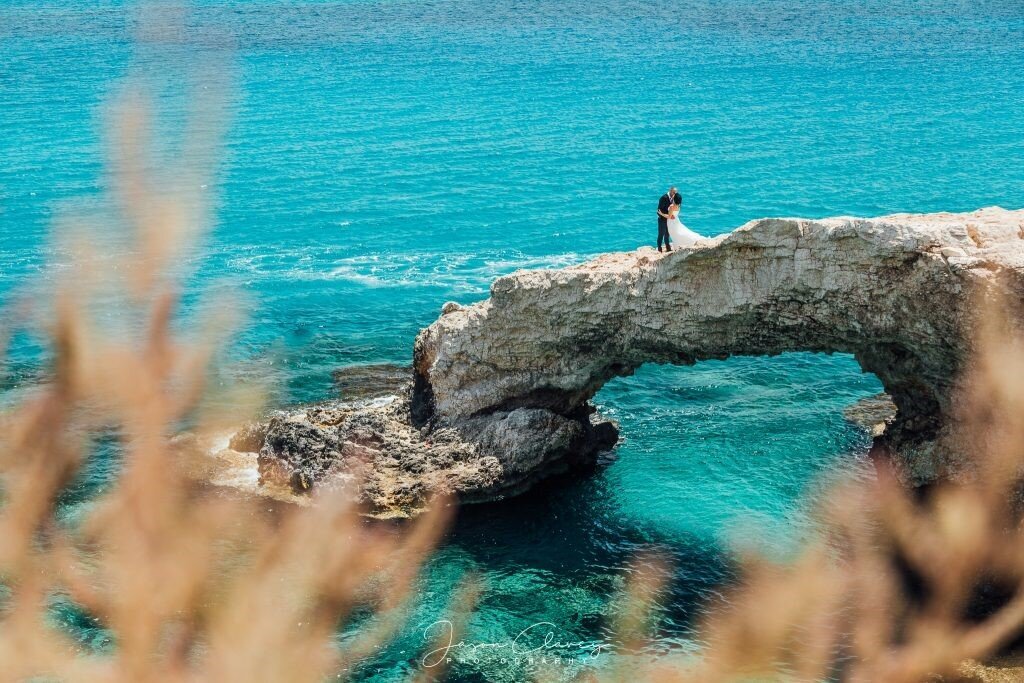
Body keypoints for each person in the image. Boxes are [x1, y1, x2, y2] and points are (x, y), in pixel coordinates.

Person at [656, 187, 682, 252]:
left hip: (669, 220)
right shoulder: (663, 198)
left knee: (667, 235)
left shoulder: (675, 199)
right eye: (673, 192)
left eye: (675, 193)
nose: (674, 194)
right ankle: (659, 249)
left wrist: (671, 216)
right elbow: (659, 210)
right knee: (661, 234)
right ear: (670, 190)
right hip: (662, 219)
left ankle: (668, 248)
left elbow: (674, 209)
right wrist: (667, 216)